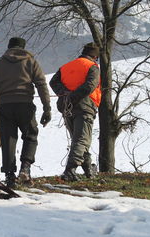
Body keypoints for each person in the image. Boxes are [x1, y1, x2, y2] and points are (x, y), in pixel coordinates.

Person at [0, 37, 51, 188]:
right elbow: (41, 84)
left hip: (5, 106)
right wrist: (47, 108)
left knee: (8, 139)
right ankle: (25, 167)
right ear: (23, 47)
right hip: (25, 104)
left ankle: (9, 176)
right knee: (30, 135)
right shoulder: (30, 62)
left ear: (9, 47)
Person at [49, 42, 101, 181]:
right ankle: (70, 170)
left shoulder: (66, 66)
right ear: (95, 56)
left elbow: (53, 82)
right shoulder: (93, 67)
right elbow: (90, 85)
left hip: (66, 106)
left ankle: (89, 170)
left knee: (78, 140)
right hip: (84, 106)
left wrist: (64, 93)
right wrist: (74, 96)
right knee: (82, 139)